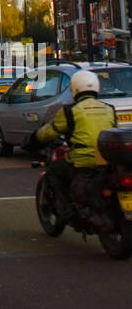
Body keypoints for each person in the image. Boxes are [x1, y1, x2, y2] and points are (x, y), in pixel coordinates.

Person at [35, 71, 117, 212]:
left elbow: (49, 132)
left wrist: (35, 137)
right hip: (105, 159)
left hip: (81, 160)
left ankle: (66, 208)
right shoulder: (109, 109)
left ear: (74, 88)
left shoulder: (70, 111)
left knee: (53, 171)